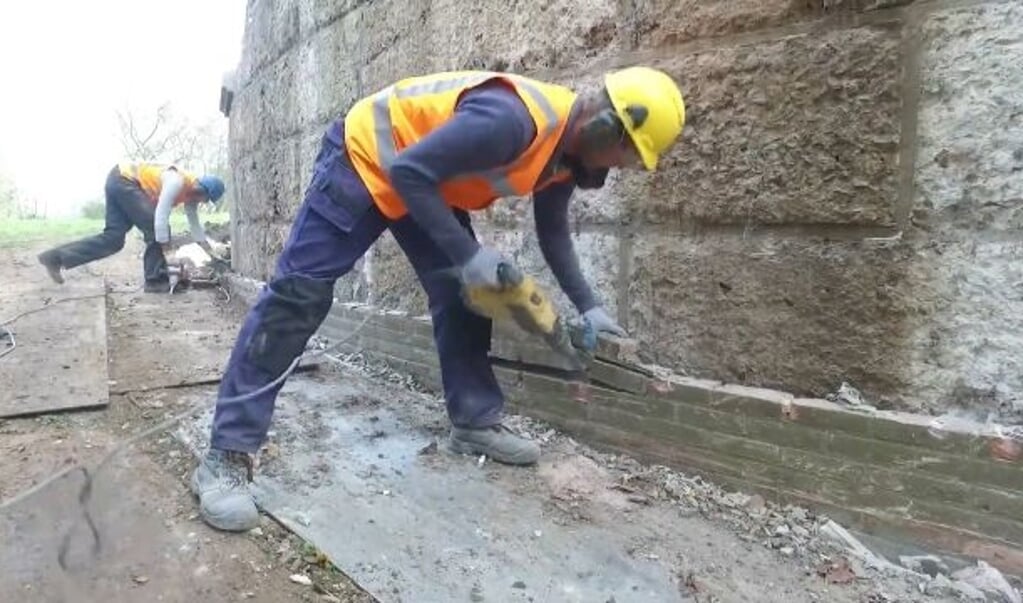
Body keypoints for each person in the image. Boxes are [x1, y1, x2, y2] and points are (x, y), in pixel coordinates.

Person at [192, 66, 686, 531]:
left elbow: (553, 230)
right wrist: (468, 254)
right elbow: (407, 171)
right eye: (627, 155)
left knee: (465, 296)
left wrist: (589, 307)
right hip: (365, 159)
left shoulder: (564, 157)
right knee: (298, 296)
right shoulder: (512, 121)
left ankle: (474, 421)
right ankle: (226, 456)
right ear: (607, 128)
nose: (621, 167)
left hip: (424, 182)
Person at [38, 162, 226, 292]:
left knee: (114, 239)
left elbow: (195, 225)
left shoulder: (191, 196)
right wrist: (169, 257)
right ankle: (155, 280)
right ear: (202, 189)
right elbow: (160, 217)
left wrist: (210, 252)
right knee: (156, 229)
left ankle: (54, 258)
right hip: (125, 180)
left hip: (118, 179)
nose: (202, 202)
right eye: (205, 198)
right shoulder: (177, 181)